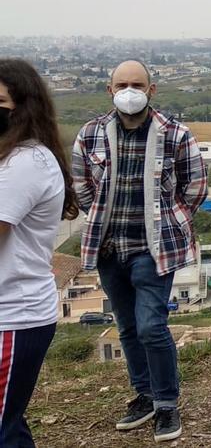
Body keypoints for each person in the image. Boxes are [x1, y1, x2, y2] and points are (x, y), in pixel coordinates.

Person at [71, 60, 207, 442]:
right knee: (128, 326)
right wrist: (99, 216)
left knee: (151, 325)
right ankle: (144, 394)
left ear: (152, 90)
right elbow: (81, 185)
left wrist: (170, 218)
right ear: (109, 90)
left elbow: (195, 188)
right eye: (121, 84)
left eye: (137, 84)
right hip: (110, 247)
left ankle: (167, 402)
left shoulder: (175, 134)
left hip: (153, 248)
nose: (129, 91)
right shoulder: (91, 134)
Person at [0, 59, 80, 447]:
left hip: (14, 315)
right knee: (8, 424)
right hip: (11, 313)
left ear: (23, 105)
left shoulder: (25, 163)